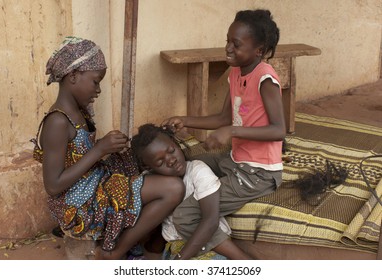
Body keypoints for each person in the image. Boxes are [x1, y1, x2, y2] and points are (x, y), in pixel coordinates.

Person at [31, 36, 184, 260]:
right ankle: (117, 250)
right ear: (73, 76)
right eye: (96, 81)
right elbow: (53, 186)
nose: (99, 90)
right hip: (79, 203)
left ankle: (148, 236)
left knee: (139, 157)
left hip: (92, 183)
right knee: (173, 189)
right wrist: (100, 150)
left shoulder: (79, 112)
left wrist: (110, 147)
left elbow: (80, 155)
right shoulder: (57, 121)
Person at [163, 10, 285, 259]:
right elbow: (223, 118)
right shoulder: (236, 72)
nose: (228, 48)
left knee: (186, 216)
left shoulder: (265, 78)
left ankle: (244, 262)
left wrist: (231, 131)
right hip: (235, 161)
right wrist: (184, 119)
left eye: (236, 44)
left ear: (259, 50)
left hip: (260, 173)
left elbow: (279, 130)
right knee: (183, 167)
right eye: (227, 40)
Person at [131, 123, 251, 260]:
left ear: (177, 144)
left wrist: (180, 260)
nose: (171, 160)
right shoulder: (152, 183)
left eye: (171, 151)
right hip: (176, 247)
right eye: (160, 162)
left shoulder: (198, 171)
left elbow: (210, 221)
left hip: (212, 246)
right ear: (148, 166)